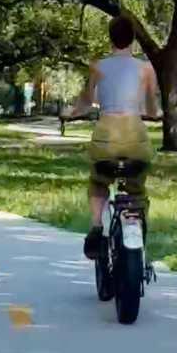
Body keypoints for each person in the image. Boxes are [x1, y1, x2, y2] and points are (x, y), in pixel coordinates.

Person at [65, 16, 160, 260]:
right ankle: (135, 225)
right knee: (136, 186)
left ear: (111, 40)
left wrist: (71, 114)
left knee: (98, 182)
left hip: (105, 138)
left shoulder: (98, 66)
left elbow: (86, 102)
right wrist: (156, 114)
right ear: (134, 40)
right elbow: (150, 107)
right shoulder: (145, 69)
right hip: (135, 138)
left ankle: (96, 224)